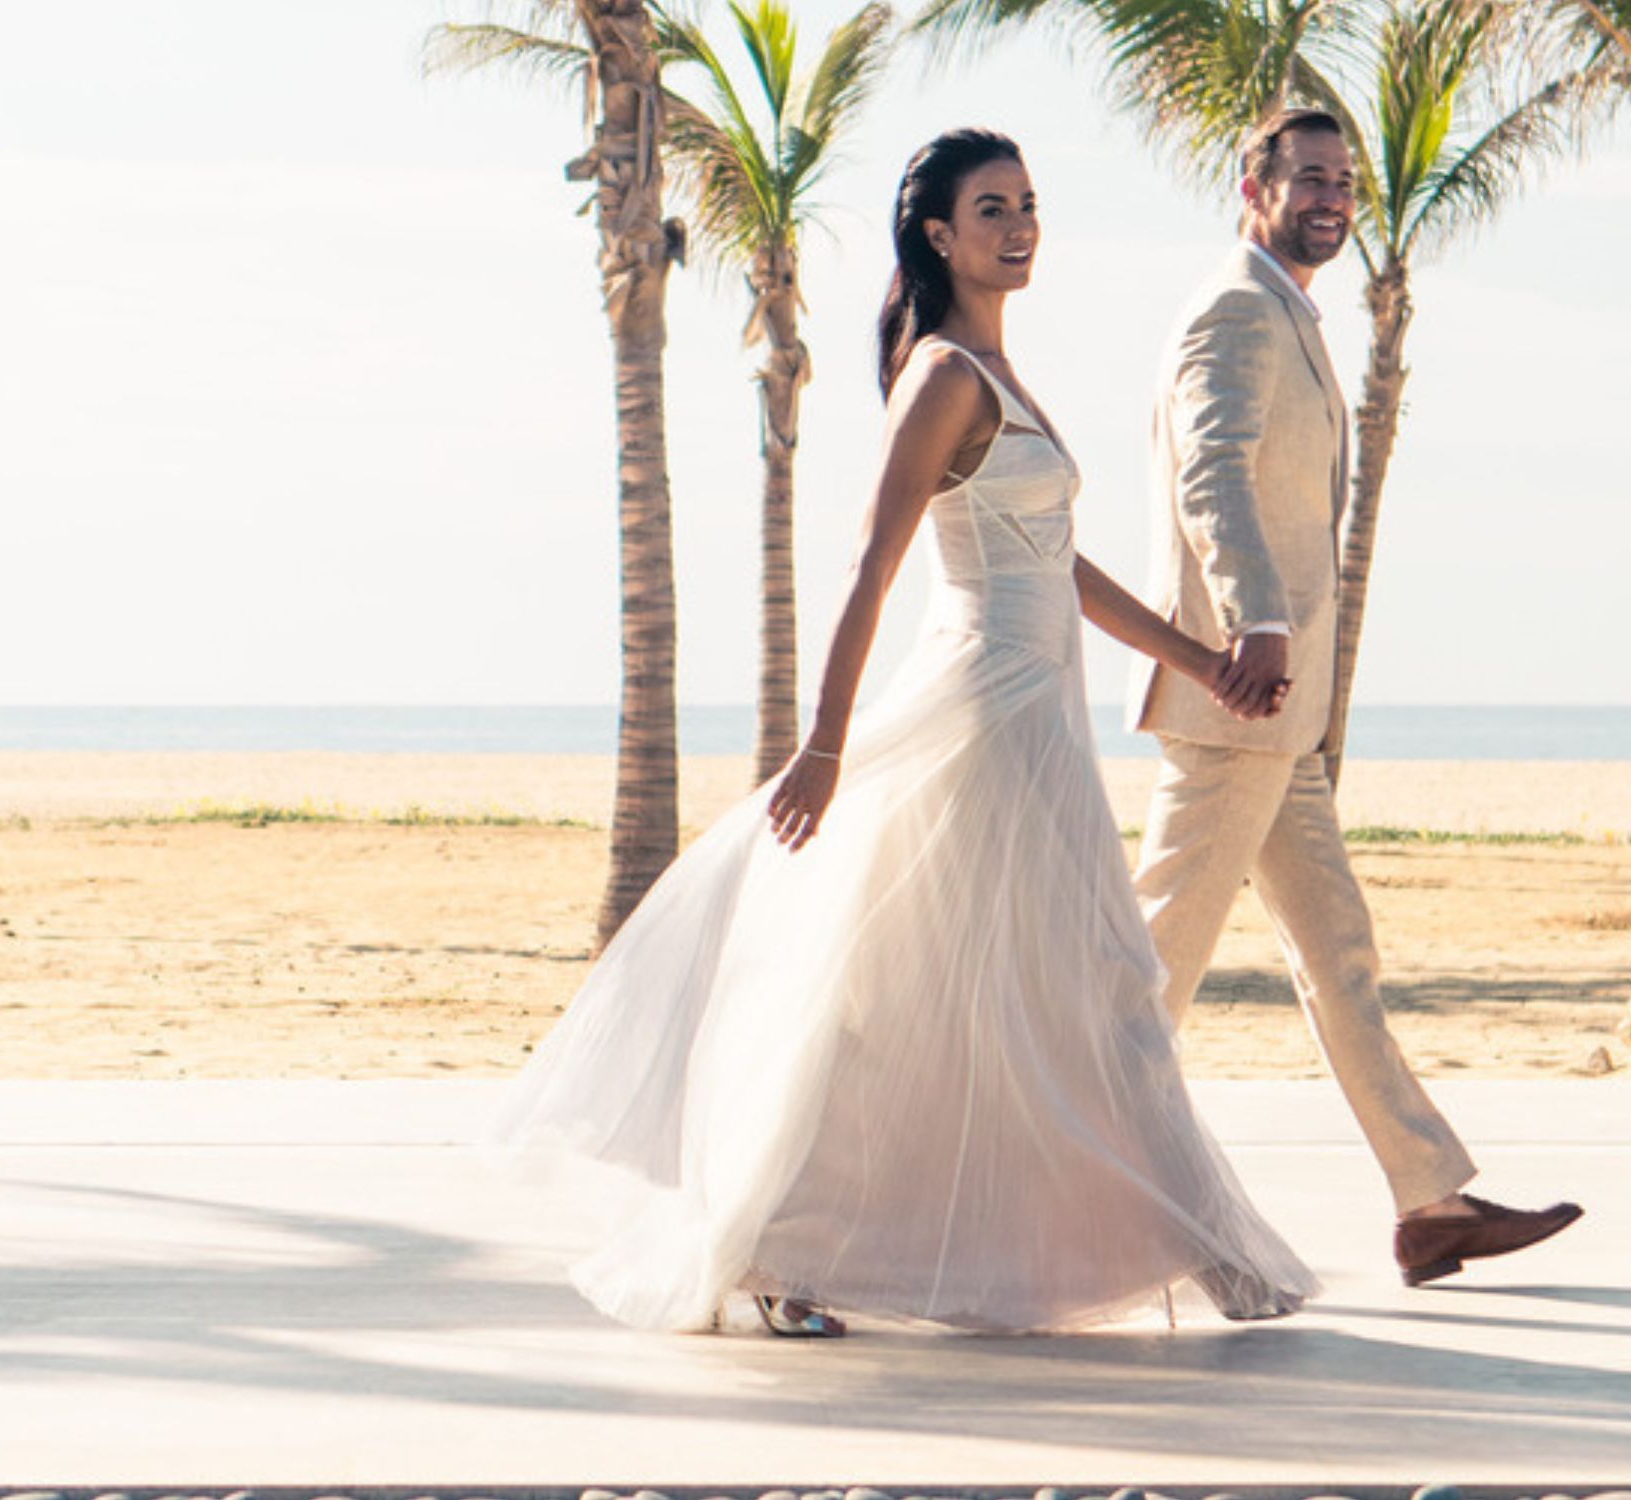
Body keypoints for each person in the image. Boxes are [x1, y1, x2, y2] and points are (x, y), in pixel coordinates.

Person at [496, 129, 1315, 1338]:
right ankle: (799, 1250)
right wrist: (825, 744)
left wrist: (1194, 660)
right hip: (982, 718)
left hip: (1041, 714)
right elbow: (870, 569)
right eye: (993, 208)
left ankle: (1193, 1251)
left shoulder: (1002, 374)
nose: (1020, 225)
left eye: (1030, 203)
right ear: (939, 235)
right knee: (1076, 984)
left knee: (1062, 991)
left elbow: (1059, 561)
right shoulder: (942, 378)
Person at [1127, 107, 1580, 1287]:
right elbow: (1211, 469)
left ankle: (1431, 1203)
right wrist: (1257, 622)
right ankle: (1029, 1169)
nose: (1332, 197)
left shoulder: (1284, 308)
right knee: (1144, 977)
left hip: (1283, 713)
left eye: (1344, 182)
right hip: (1242, 699)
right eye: (1310, 178)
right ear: (1253, 182)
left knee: (1340, 955)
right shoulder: (1235, 307)